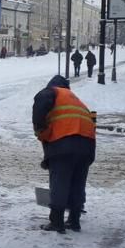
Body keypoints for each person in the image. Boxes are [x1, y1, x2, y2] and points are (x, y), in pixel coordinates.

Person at [33, 75, 96, 233]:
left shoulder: (52, 92)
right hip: (87, 146)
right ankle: (74, 221)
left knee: (60, 182)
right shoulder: (76, 100)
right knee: (77, 183)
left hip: (65, 143)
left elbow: (40, 101)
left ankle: (57, 222)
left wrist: (40, 129)